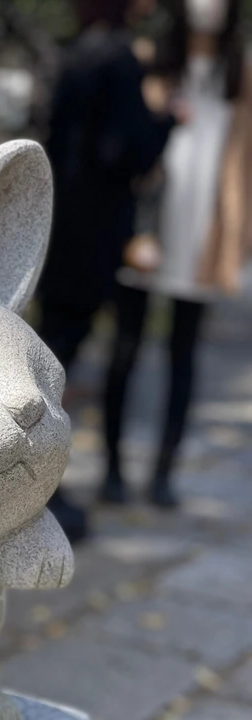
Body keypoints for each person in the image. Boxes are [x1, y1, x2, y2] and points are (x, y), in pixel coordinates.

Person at [37, 0, 179, 540]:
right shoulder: (118, 59)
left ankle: (38, 485)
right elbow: (126, 151)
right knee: (59, 361)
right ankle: (40, 488)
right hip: (94, 234)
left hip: (59, 226)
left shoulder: (77, 52)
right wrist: (166, 122)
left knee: (51, 352)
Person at [102, 0, 252, 507]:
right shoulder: (153, 62)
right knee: (124, 350)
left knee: (183, 355)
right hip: (148, 230)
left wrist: (236, 242)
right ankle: (112, 470)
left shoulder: (240, 71)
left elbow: (243, 163)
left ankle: (163, 473)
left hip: (201, 236)